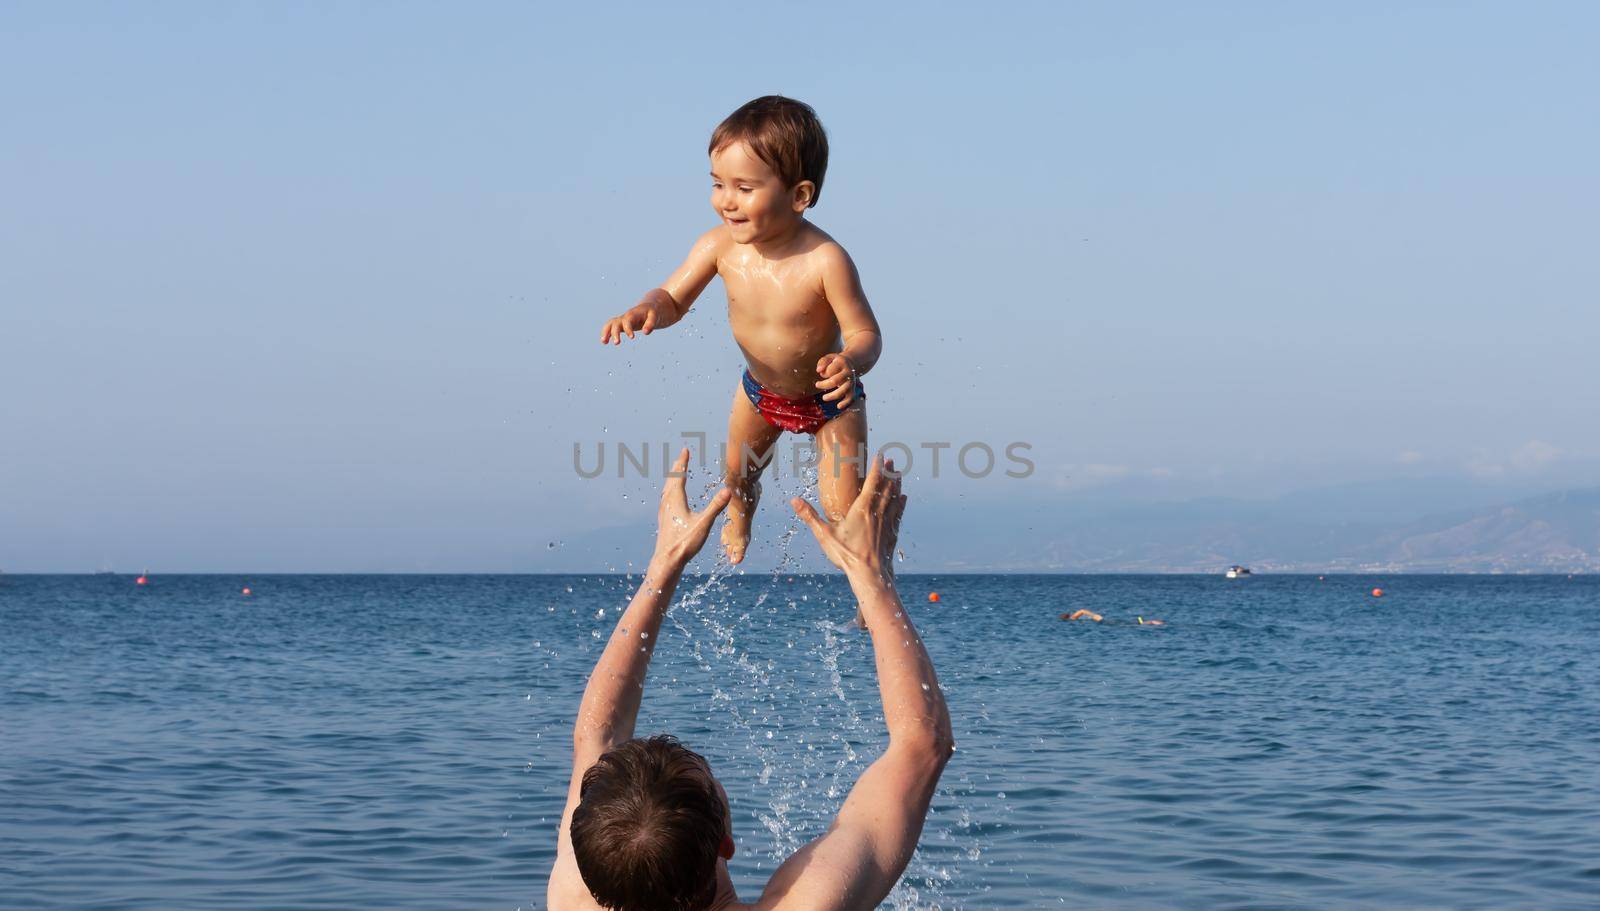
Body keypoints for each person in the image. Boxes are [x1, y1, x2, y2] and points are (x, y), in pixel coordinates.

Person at [547, 452, 953, 911]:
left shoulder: (575, 897)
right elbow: (924, 741)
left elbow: (597, 731)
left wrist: (663, 567)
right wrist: (869, 575)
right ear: (726, 842)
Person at [599, 96, 883, 566]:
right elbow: (671, 299)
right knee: (737, 477)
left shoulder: (825, 260)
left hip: (831, 401)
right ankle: (741, 516)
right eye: (717, 184)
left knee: (844, 515)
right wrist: (642, 309)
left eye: (745, 188)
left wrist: (850, 361)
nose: (726, 201)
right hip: (760, 393)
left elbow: (866, 334)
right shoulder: (718, 247)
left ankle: (867, 584)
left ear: (799, 196)